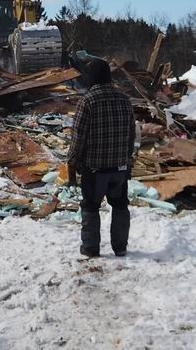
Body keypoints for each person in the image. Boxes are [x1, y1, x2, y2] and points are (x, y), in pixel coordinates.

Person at [68, 58, 136, 257]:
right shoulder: (124, 100)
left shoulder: (87, 101)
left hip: (95, 169)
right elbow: (131, 134)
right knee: (120, 205)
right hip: (119, 169)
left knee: (90, 207)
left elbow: (78, 137)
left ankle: (90, 248)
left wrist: (72, 160)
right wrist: (127, 159)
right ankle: (120, 247)